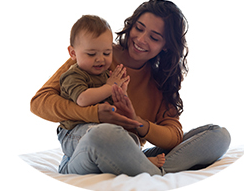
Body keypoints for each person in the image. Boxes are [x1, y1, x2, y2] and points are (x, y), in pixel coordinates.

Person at [30, 0, 231, 176]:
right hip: (93, 144)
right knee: (104, 133)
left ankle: (148, 169)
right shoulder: (97, 56)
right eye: (139, 28)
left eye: (154, 37)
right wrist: (95, 114)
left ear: (166, 46)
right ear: (131, 25)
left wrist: (136, 122)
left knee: (218, 136)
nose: (141, 39)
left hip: (128, 151)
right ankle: (155, 171)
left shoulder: (159, 81)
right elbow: (39, 103)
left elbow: (174, 135)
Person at [59, 15, 166, 168]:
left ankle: (132, 158)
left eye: (107, 53)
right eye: (91, 54)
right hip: (72, 133)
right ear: (73, 53)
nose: (100, 59)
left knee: (129, 138)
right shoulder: (73, 74)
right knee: (101, 134)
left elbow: (112, 108)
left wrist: (121, 94)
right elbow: (82, 99)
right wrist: (109, 87)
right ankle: (140, 163)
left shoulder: (106, 74)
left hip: (99, 131)